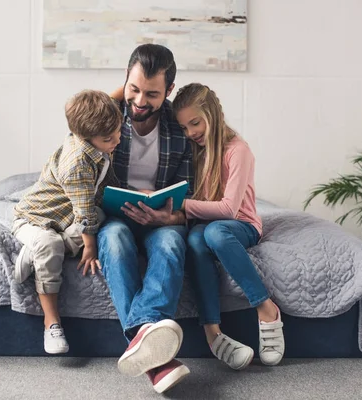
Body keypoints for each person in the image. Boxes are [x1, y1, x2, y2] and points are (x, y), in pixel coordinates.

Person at [98, 44, 194, 394]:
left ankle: (141, 337)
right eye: (133, 88)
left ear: (168, 91)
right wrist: (117, 94)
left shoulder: (179, 127)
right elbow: (75, 131)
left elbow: (191, 192)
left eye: (152, 94)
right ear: (124, 79)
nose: (139, 101)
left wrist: (171, 217)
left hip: (160, 220)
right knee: (113, 240)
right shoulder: (108, 115)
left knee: (171, 244)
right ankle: (155, 353)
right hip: (116, 216)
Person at [172, 83, 285, 369]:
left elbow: (228, 209)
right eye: (184, 128)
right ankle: (213, 333)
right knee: (196, 240)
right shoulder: (194, 151)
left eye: (195, 123)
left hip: (241, 224)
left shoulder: (238, 150)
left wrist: (182, 205)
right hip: (206, 226)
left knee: (214, 232)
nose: (191, 133)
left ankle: (266, 308)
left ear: (212, 114)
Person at [12, 90, 122, 355]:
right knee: (51, 244)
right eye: (109, 138)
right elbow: (84, 214)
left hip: (64, 218)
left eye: (119, 132)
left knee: (103, 214)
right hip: (35, 219)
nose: (117, 140)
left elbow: (107, 103)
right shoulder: (77, 164)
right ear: (86, 137)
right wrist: (90, 248)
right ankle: (51, 322)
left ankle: (35, 252)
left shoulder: (94, 134)